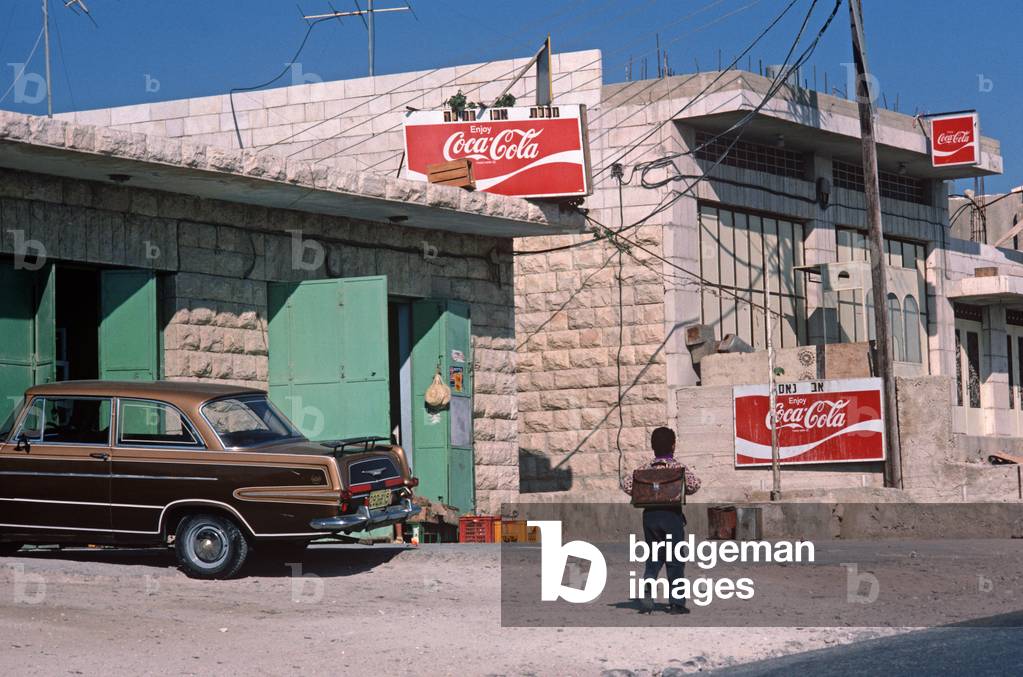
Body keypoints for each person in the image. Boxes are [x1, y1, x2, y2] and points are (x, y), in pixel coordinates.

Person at [622, 426, 701, 614]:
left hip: (650, 517)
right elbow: (694, 484)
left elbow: (626, 484)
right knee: (675, 559)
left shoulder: (644, 469)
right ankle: (676, 603)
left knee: (654, 556)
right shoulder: (677, 468)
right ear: (673, 446)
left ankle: (649, 584)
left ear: (652, 447)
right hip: (671, 515)